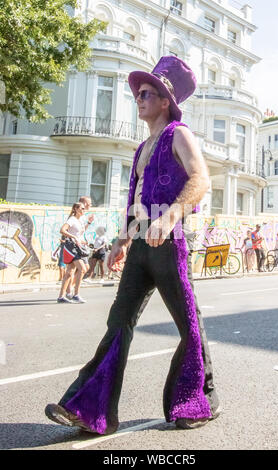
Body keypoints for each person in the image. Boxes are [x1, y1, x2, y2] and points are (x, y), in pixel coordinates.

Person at [45, 55, 220, 434]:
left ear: (164, 101)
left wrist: (170, 216)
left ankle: (199, 401)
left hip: (169, 241)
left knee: (188, 323)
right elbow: (136, 200)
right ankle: (92, 411)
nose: (138, 98)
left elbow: (200, 179)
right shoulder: (143, 148)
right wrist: (120, 241)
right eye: (138, 92)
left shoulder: (179, 133)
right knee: (118, 323)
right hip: (140, 244)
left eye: (147, 92)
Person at [57, 202, 89, 304]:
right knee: (83, 269)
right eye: (81, 208)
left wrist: (83, 241)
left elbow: (78, 235)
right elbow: (62, 230)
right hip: (71, 247)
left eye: (84, 209)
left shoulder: (80, 221)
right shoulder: (72, 219)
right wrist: (73, 237)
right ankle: (76, 295)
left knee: (69, 273)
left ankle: (61, 297)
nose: (83, 210)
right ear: (75, 209)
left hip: (76, 247)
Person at [66, 196, 94, 298]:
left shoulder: (82, 216)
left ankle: (71, 288)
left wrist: (89, 223)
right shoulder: (76, 217)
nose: (90, 205)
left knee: (84, 268)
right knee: (73, 269)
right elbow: (66, 230)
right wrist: (73, 238)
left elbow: (81, 231)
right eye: (89, 204)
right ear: (84, 204)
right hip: (73, 246)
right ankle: (69, 291)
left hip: (81, 245)